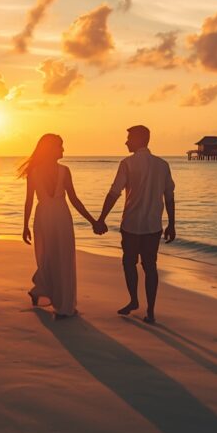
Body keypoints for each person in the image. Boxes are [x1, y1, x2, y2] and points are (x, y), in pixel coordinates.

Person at [96, 125, 175, 324]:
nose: (126, 142)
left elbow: (114, 193)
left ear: (140, 139)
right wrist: (172, 224)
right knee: (150, 266)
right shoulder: (162, 165)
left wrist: (101, 218)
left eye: (129, 138)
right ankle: (150, 311)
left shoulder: (127, 164)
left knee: (129, 263)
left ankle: (133, 300)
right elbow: (169, 197)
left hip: (131, 224)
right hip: (152, 225)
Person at [20, 134, 102, 320]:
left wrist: (93, 221)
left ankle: (51, 297)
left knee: (59, 257)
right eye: (60, 146)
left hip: (54, 217)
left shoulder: (64, 171)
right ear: (50, 149)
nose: (63, 150)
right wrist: (24, 226)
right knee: (50, 258)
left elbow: (74, 199)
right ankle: (54, 298)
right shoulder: (36, 172)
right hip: (50, 218)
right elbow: (29, 201)